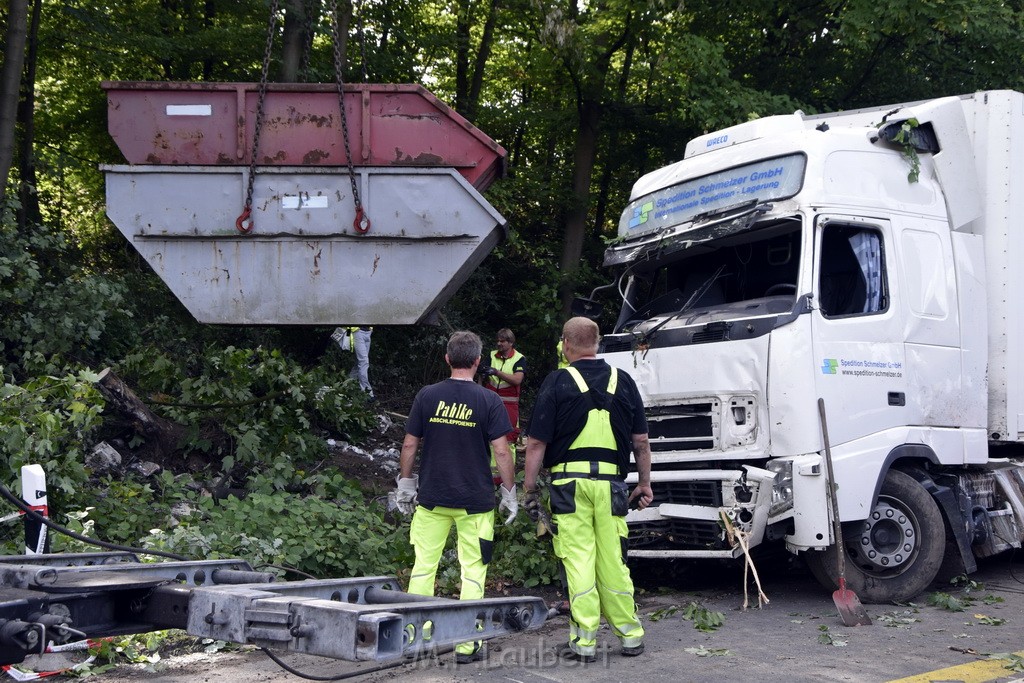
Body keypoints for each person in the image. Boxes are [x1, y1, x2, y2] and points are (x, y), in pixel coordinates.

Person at [523, 316, 653, 662]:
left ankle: (584, 643)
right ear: (597, 343)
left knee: (579, 558)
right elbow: (640, 441)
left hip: (569, 485)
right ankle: (630, 636)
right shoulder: (623, 381)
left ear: (566, 345)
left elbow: (536, 443)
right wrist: (644, 483)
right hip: (611, 485)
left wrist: (530, 488)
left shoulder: (557, 382)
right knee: (612, 559)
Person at [394, 330, 519, 664]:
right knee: (473, 571)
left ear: (448, 359)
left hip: (432, 498)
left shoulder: (427, 395)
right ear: (479, 362)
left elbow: (409, 443)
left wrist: (405, 484)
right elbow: (502, 452)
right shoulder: (489, 400)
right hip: (475, 502)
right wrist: (510, 492)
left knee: (423, 568)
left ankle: (414, 640)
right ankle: (468, 644)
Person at [480, 328, 526, 459]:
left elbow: (517, 379)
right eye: (498, 341)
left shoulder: (519, 359)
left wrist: (496, 372)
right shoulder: (492, 355)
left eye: (503, 341)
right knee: (487, 435)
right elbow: (481, 373)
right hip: (490, 402)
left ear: (511, 343)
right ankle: (491, 473)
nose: (499, 344)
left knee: (509, 438)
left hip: (509, 405)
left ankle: (506, 475)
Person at [348, 326, 374, 400]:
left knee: (358, 363)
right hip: (357, 331)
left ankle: (347, 386)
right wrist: (348, 333)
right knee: (364, 362)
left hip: (368, 332)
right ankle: (367, 393)